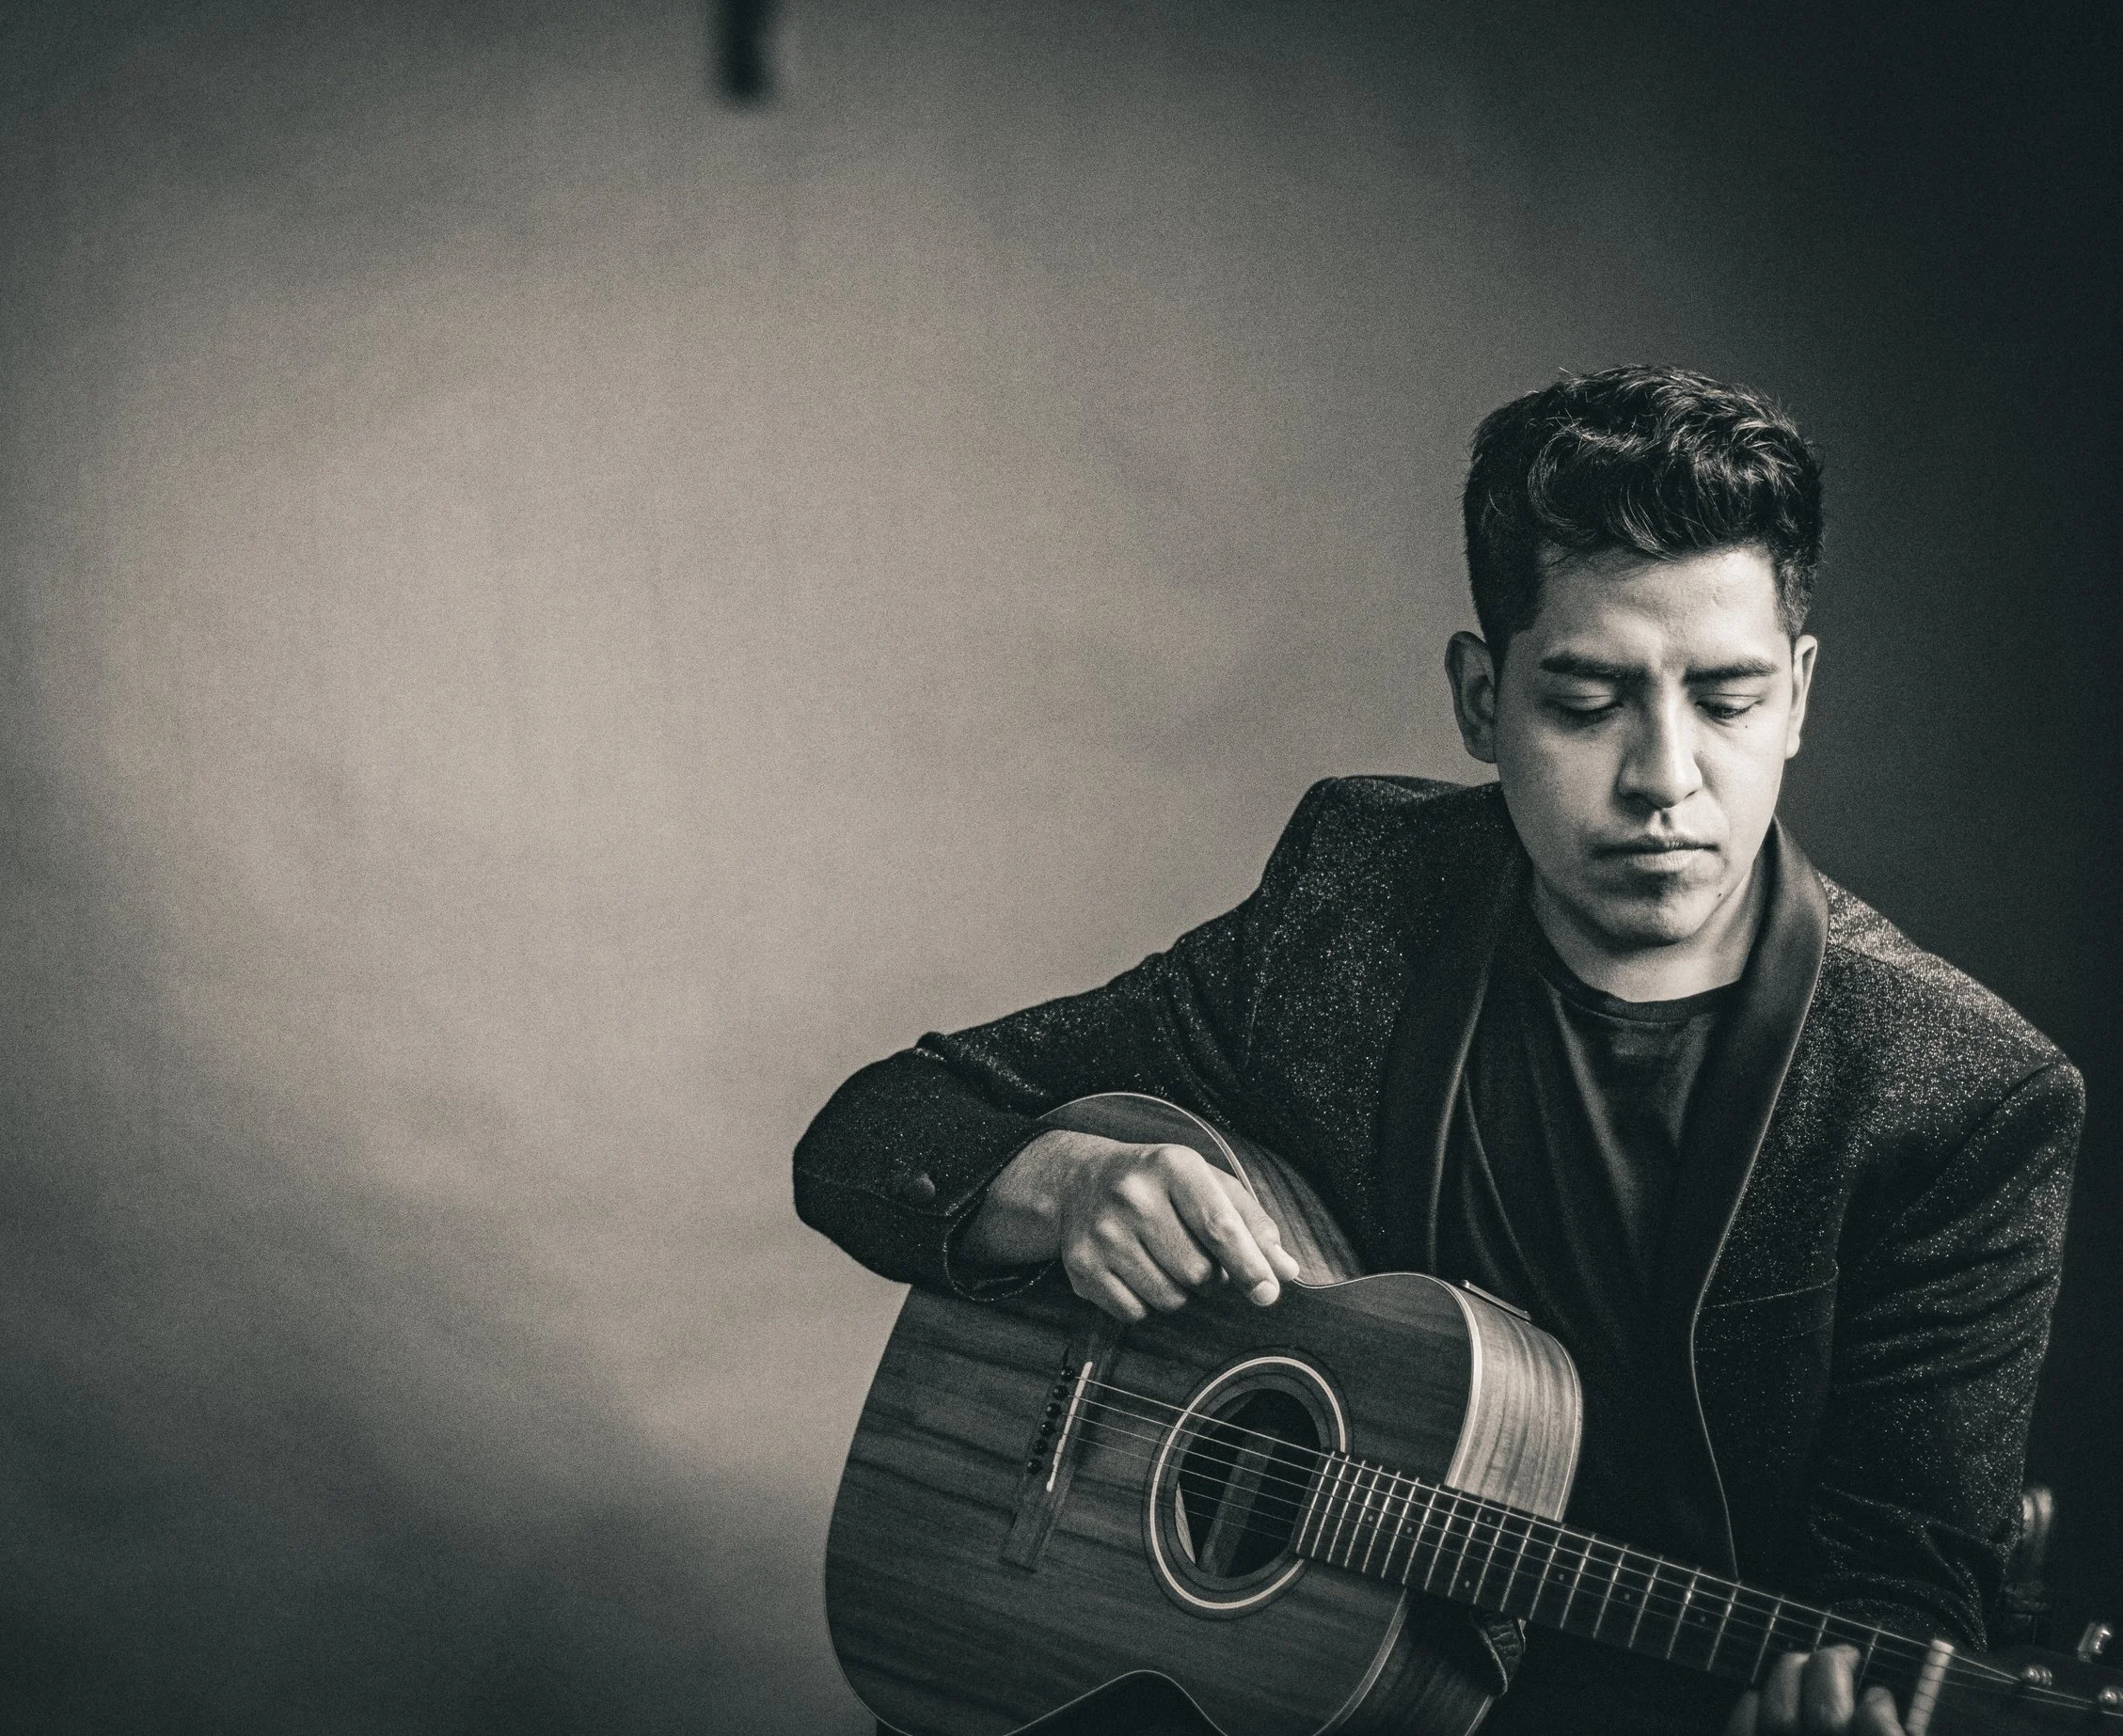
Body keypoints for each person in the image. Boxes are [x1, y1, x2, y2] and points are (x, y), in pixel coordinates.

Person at [792, 367, 2082, 1735]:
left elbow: (1904, 1586)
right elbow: (872, 1137)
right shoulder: (1353, 901)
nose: (1664, 778)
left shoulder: (1960, 1099)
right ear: (1480, 698)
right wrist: (1057, 1189)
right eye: (1587, 703)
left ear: (1802, 697)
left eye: (1727, 700)